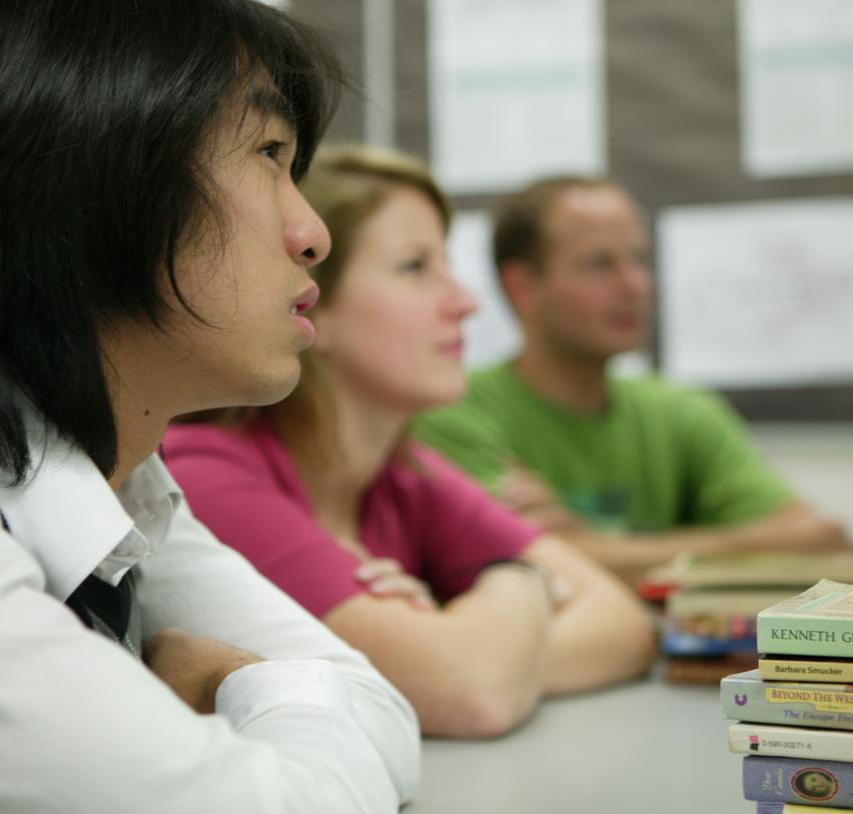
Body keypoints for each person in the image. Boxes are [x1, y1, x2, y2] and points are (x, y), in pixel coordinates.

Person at [0, 2, 419, 812]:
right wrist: (247, 688)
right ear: (88, 180)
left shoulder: (98, 474)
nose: (312, 231)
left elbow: (380, 712)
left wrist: (240, 688)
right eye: (268, 153)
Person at [162, 147, 656, 739]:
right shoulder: (205, 476)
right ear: (313, 303)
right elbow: (472, 695)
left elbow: (623, 625)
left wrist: (473, 645)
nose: (466, 303)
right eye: (416, 267)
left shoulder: (408, 476)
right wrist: (520, 583)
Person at [415, 176, 853, 585]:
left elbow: (819, 539)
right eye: (599, 264)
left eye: (639, 260)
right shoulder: (454, 407)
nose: (635, 285)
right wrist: (736, 549)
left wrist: (590, 545)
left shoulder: (680, 410)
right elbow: (511, 566)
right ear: (522, 286)